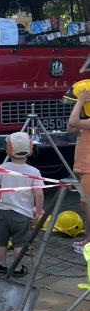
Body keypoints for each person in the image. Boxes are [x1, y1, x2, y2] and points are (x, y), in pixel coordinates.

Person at [0, 131, 43, 276]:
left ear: (8, 150)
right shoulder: (34, 171)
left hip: (4, 211)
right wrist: (38, 211)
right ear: (30, 150)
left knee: (1, 241)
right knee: (19, 242)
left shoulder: (2, 168)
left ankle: (1, 263)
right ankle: (17, 268)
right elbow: (39, 193)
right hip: (23, 214)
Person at [67, 84, 90, 253]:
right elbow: (71, 127)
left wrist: (81, 101)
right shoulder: (85, 120)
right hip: (85, 167)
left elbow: (73, 122)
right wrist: (80, 104)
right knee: (85, 204)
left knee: (87, 203)